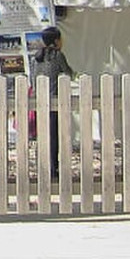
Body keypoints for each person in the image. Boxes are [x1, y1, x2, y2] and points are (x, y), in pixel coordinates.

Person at [35, 25, 73, 178]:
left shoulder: (36, 57)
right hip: (55, 100)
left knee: (43, 135)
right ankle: (54, 167)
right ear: (56, 41)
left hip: (39, 100)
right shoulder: (57, 56)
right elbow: (68, 72)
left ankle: (43, 166)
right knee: (54, 135)